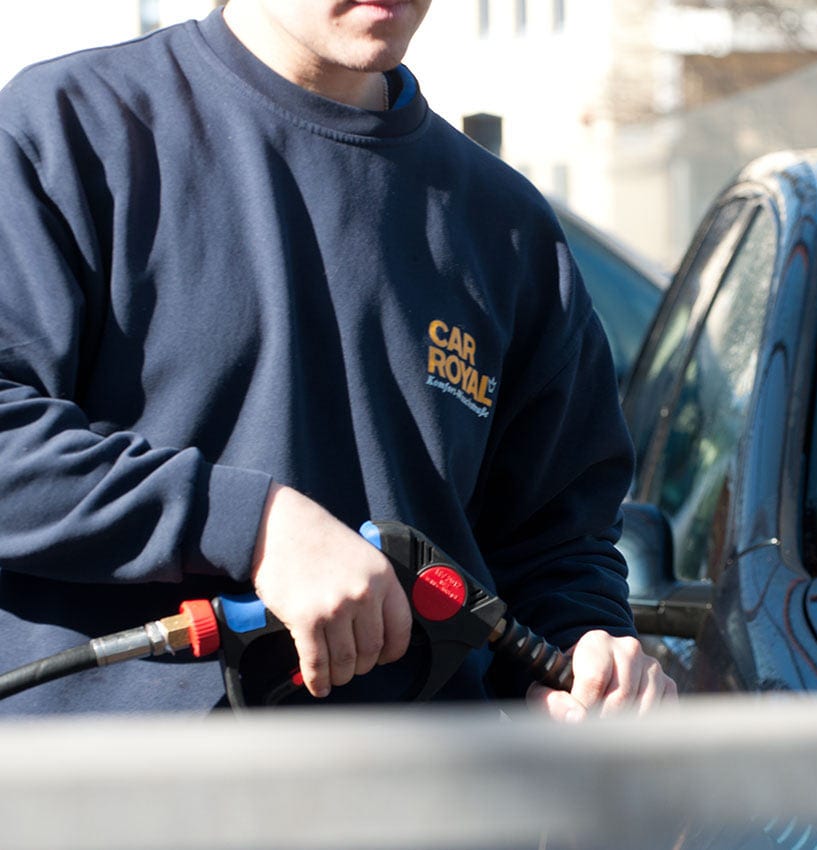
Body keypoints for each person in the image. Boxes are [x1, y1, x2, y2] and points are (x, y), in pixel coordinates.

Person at [0, 0, 675, 719]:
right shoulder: (68, 132)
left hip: (424, 806)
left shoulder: (508, 228)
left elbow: (557, 545)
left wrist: (588, 655)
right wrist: (253, 527)